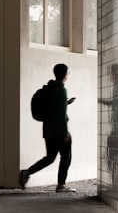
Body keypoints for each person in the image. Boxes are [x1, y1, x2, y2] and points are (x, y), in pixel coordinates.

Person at [19, 63, 76, 193]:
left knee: (50, 158)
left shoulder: (50, 88)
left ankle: (27, 172)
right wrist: (65, 133)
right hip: (59, 131)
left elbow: (52, 108)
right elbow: (61, 115)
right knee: (66, 157)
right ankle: (61, 185)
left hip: (48, 130)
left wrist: (66, 103)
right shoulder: (61, 89)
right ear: (65, 75)